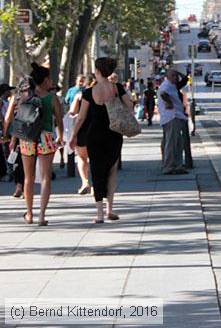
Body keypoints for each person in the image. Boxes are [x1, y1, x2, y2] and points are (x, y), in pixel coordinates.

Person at [69, 57, 129, 223]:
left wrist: (74, 134)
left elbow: (81, 118)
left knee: (96, 170)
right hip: (114, 133)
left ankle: (100, 213)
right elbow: (130, 106)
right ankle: (110, 209)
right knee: (111, 170)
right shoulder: (117, 88)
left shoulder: (89, 92)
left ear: (97, 71)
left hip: (94, 134)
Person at [5, 64, 64, 226]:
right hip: (45, 138)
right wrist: (59, 137)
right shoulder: (52, 98)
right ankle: (42, 216)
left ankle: (29, 213)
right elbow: (59, 120)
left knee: (28, 177)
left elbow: (14, 117)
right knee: (45, 178)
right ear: (45, 80)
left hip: (27, 139)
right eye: (50, 78)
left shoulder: (24, 96)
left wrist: (11, 138)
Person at [158, 69, 189, 174]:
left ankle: (177, 165)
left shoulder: (172, 85)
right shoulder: (167, 85)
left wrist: (178, 72)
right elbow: (163, 94)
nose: (175, 78)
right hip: (172, 117)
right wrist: (169, 102)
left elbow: (185, 80)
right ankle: (168, 167)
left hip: (172, 117)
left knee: (177, 143)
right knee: (171, 143)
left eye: (176, 76)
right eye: (172, 75)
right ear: (167, 76)